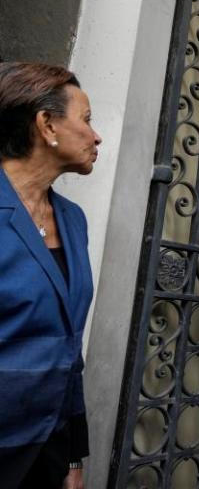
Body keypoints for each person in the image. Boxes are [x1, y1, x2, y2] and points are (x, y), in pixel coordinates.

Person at [0, 62, 102, 488]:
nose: (96, 136)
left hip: (49, 449)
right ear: (46, 124)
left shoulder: (73, 219)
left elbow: (69, 349)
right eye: (86, 119)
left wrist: (72, 457)